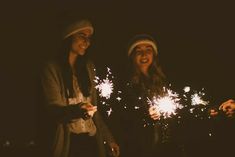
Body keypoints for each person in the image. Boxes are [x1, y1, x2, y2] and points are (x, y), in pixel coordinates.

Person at [39, 19, 119, 157]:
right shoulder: (51, 68)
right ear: (68, 36)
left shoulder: (88, 68)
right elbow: (54, 111)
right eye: (82, 36)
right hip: (70, 144)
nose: (87, 42)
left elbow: (95, 111)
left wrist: (109, 139)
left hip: (91, 142)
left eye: (89, 38)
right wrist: (77, 110)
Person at [120, 34, 182, 157]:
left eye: (148, 50)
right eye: (139, 51)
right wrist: (145, 114)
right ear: (132, 56)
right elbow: (123, 116)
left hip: (166, 146)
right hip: (140, 147)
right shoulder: (125, 84)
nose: (144, 55)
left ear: (154, 54)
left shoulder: (163, 80)